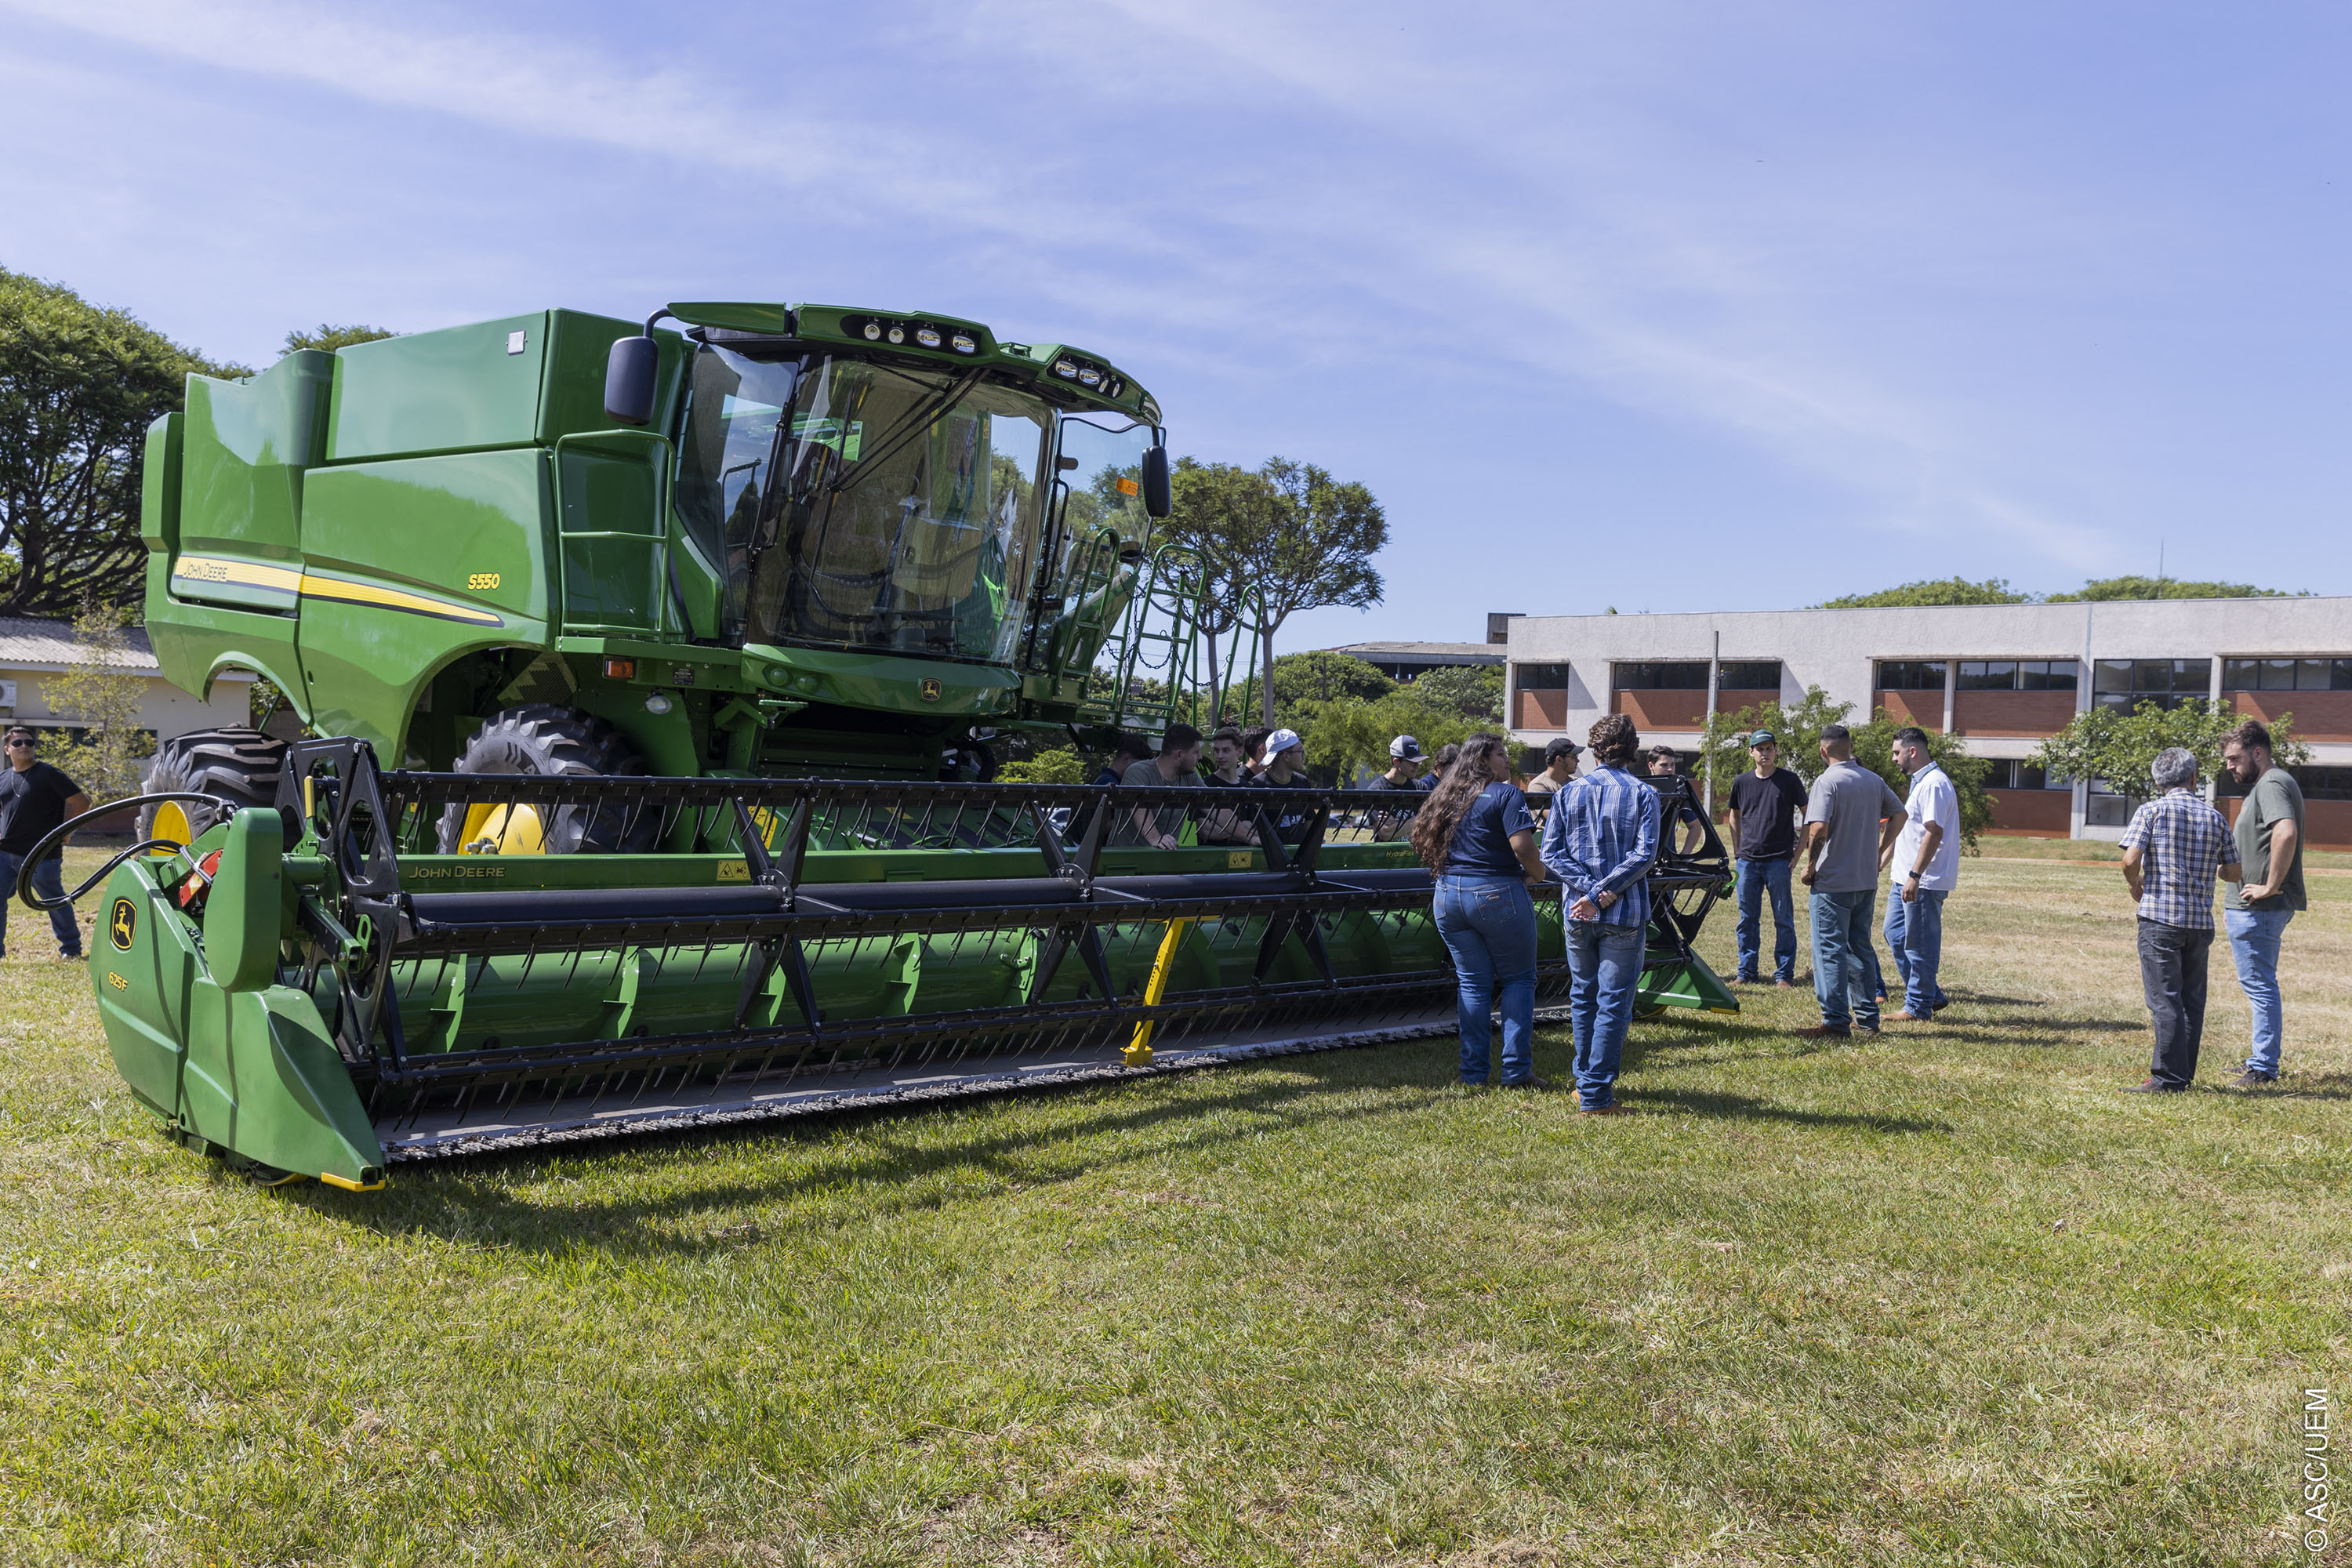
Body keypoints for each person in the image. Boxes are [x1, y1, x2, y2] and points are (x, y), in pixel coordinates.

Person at [1409, 732, 1551, 1087]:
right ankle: (1516, 1072)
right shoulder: (1506, 794)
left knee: (1473, 983)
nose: (1507, 761)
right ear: (1483, 760)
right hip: (1496, 892)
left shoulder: (1446, 793)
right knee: (1519, 979)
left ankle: (1473, 1074)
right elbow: (1523, 847)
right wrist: (1538, 875)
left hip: (1447, 895)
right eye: (1502, 755)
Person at [1539, 713, 1660, 1113]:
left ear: (1593, 749)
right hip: (1621, 912)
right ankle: (1594, 1093)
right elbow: (1644, 856)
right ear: (1634, 749)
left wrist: (1591, 892)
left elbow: (1550, 853)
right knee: (1613, 1003)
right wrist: (1603, 892)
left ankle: (1585, 1082)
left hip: (1578, 912)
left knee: (1583, 997)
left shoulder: (1567, 794)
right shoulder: (1644, 793)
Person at [2118, 746, 2240, 1093]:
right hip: (2199, 922)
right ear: (2194, 778)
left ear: (2158, 781)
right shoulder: (2215, 817)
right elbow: (2233, 872)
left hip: (2160, 918)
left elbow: (2130, 861)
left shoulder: (2151, 811)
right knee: (2191, 1000)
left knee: (2164, 998)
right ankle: (2182, 1074)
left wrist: (2135, 883)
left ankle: (2167, 1079)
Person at [1797, 723, 1905, 1038]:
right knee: (1859, 948)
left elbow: (1818, 828)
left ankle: (1834, 1021)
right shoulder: (1872, 779)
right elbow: (1900, 815)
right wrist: (1879, 852)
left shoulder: (1827, 781)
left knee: (1829, 949)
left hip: (1832, 882)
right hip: (1864, 880)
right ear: (1849, 746)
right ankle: (1869, 1020)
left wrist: (1810, 865)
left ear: (1823, 751)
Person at [2221, 719, 2305, 1087]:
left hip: (2259, 909)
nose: (2229, 766)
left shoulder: (2271, 783)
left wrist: (2270, 886)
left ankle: (2263, 1067)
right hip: (2253, 909)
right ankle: (2260, 1059)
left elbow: (2286, 830)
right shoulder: (2268, 785)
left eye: (2235, 758)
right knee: (2258, 984)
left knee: (2260, 985)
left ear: (2258, 753)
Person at [1881, 726, 1960, 1023]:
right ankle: (1931, 994)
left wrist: (1915, 874)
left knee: (1919, 944)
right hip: (1903, 877)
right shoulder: (1921, 782)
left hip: (1922, 881)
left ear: (1912, 751)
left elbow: (1934, 832)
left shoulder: (1935, 784)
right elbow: (1906, 829)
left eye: (1896, 752)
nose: (1893, 759)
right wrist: (1884, 858)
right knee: (1895, 933)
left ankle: (1918, 1006)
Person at [0, 726, 90, 961]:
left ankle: (71, 949)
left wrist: (65, 830)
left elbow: (82, 802)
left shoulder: (48, 773)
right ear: (7, 749)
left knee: (54, 901)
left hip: (42, 855)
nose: (25, 747)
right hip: (6, 853)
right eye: (18, 743)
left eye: (29, 743)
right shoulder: (3, 778)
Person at [1726, 728, 1806, 987]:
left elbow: (1809, 815)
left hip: (1779, 861)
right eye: (1760, 749)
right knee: (1747, 920)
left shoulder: (1790, 780)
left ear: (1776, 751)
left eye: (1769, 748)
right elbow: (1733, 816)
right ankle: (1746, 972)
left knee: (1783, 919)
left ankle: (1784, 974)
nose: (1765, 753)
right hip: (1748, 862)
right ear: (1751, 752)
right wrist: (1737, 851)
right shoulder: (1742, 781)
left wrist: (1798, 852)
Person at [1117, 723, 1203, 848]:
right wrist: (1156, 839)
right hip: (1125, 861)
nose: (1200, 757)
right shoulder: (1138, 772)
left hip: (1162, 860)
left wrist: (1243, 833)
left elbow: (1215, 805)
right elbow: (1139, 806)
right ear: (1179, 755)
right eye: (1196, 752)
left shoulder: (1190, 777)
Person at [1196, 727, 1260, 847]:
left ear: (1240, 751)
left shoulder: (1248, 788)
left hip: (1244, 858)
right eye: (1217, 750)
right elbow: (1205, 830)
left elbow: (1257, 831)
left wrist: (1222, 829)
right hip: (1212, 859)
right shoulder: (1206, 785)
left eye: (1226, 750)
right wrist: (1243, 827)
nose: (1220, 756)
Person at [1645, 744, 1709, 855]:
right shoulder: (1639, 789)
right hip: (1640, 860)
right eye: (1664, 765)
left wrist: (1684, 855)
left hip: (1666, 861)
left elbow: (1695, 826)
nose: (1670, 769)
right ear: (1651, 766)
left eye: (1672, 765)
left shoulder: (1677, 791)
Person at [1362, 735, 1427, 840]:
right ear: (1396, 761)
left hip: (1413, 855)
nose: (1417, 766)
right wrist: (1418, 820)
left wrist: (1397, 824)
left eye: (1419, 761)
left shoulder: (1420, 788)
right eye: (1412, 761)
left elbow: (1429, 826)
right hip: (1386, 856)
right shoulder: (1377, 791)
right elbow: (1386, 833)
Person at [1258, 728, 1317, 844]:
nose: (1303, 755)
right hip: (1270, 858)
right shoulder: (1258, 786)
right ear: (1286, 756)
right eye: (1300, 751)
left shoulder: (1302, 782)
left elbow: (1310, 820)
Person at [1521, 738, 1581, 815]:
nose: (1578, 761)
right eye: (1573, 757)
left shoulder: (1577, 783)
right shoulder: (1538, 785)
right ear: (1559, 760)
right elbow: (1552, 816)